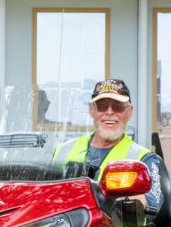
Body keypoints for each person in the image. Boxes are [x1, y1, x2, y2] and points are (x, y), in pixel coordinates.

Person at [53, 79, 164, 214]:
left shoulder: (144, 158)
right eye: (102, 106)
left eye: (118, 106)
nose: (109, 112)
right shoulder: (63, 150)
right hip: (65, 225)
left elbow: (153, 198)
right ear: (91, 109)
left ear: (129, 111)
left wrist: (129, 200)